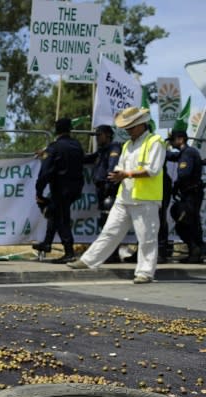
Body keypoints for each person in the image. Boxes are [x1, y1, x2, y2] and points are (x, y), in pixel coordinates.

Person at [67, 107, 166, 284]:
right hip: (124, 197)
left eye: (131, 126)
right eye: (126, 127)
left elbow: (153, 170)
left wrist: (126, 174)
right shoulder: (127, 145)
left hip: (145, 199)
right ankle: (88, 261)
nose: (128, 130)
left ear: (142, 124)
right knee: (110, 231)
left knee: (146, 238)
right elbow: (120, 166)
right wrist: (118, 174)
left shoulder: (155, 142)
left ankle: (145, 272)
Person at [33, 117, 85, 263]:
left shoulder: (54, 148)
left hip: (60, 189)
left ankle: (69, 252)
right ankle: (47, 243)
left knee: (62, 219)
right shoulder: (77, 145)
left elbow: (45, 172)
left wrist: (39, 191)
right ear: (70, 130)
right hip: (76, 188)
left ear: (56, 130)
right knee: (55, 213)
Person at [84, 124, 122, 262]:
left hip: (109, 191)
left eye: (99, 135)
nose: (97, 139)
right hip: (101, 190)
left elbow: (112, 169)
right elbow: (86, 159)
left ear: (108, 135)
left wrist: (108, 186)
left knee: (110, 222)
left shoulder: (114, 148)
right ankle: (110, 253)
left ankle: (113, 254)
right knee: (104, 223)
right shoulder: (101, 151)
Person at [167, 129, 204, 263]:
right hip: (190, 193)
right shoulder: (185, 152)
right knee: (190, 222)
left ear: (181, 139)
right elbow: (172, 156)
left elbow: (184, 174)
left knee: (185, 224)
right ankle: (196, 252)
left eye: (172, 140)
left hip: (191, 194)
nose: (171, 143)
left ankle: (196, 251)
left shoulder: (188, 153)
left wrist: (176, 185)